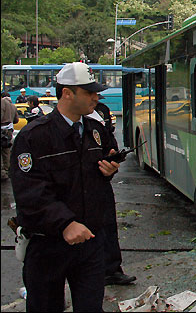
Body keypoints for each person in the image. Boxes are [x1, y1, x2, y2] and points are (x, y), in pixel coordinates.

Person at [9, 62, 120, 312]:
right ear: (67, 93)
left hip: (89, 243)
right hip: (48, 246)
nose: (96, 96)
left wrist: (109, 170)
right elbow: (29, 192)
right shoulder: (34, 137)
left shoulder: (95, 131)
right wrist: (65, 224)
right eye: (89, 91)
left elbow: (95, 176)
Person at [88, 96, 135, 285]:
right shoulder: (46, 130)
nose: (94, 98)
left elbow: (110, 145)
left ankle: (112, 269)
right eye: (88, 93)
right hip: (75, 195)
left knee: (108, 229)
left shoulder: (98, 117)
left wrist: (112, 160)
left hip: (100, 188)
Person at [1, 92, 19, 181]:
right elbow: (16, 120)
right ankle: (7, 170)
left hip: (1, 129)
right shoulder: (13, 106)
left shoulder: (2, 103)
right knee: (6, 150)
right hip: (8, 131)